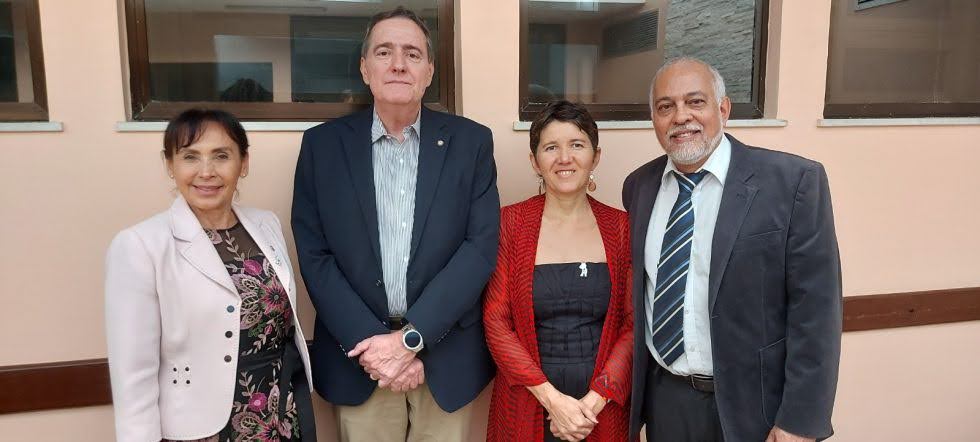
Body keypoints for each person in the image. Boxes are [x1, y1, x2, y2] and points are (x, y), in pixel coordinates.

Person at [290, 6, 499, 441]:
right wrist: (376, 347)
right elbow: (315, 254)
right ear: (365, 69)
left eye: (412, 54)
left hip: (443, 357)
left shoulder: (471, 143)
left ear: (429, 71)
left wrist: (411, 340)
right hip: (360, 360)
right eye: (384, 52)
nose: (399, 63)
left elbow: (478, 249)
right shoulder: (322, 147)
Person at [624, 57, 842, 442]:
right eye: (665, 107)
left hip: (755, 410)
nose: (680, 117)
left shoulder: (792, 183)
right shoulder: (639, 187)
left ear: (723, 109)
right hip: (666, 401)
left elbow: (816, 311)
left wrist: (800, 421)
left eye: (695, 102)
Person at [105, 109, 315, 442]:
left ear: (243, 163)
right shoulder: (140, 245)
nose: (206, 172)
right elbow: (133, 375)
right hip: (200, 428)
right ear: (169, 165)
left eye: (221, 156)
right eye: (190, 157)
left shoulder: (266, 225)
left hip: (278, 414)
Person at [484, 101, 634, 442]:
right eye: (551, 147)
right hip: (528, 398)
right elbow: (496, 321)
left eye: (577, 145)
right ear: (535, 161)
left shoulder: (621, 228)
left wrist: (592, 404)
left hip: (600, 408)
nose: (564, 158)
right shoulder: (510, 224)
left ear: (595, 157)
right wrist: (553, 402)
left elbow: (632, 323)